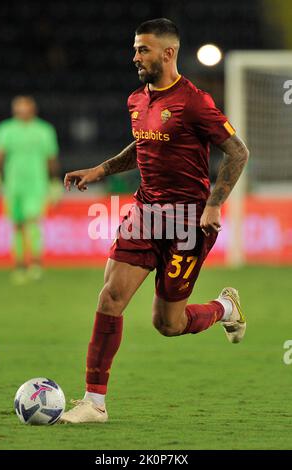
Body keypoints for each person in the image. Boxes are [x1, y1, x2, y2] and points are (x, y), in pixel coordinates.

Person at [61, 18, 249, 424]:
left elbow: (238, 152)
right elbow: (142, 142)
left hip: (186, 223)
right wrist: (100, 170)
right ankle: (94, 402)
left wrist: (214, 205)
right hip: (144, 213)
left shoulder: (195, 102)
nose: (135, 57)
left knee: (168, 323)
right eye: (134, 49)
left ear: (168, 53)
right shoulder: (136, 99)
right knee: (110, 298)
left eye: (143, 49)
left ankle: (224, 307)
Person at [0, 96, 61, 283]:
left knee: (32, 222)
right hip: (13, 185)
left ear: (33, 109)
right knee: (17, 225)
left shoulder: (44, 130)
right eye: (19, 108)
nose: (22, 111)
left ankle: (36, 263)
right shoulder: (5, 130)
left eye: (26, 107)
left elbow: (51, 158)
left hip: (36, 184)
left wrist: (55, 180)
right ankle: (20, 265)